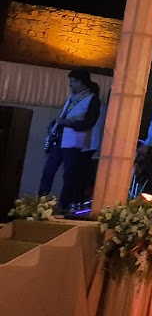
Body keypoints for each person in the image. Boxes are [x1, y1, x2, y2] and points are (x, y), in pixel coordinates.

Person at [39, 69, 101, 211]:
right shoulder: (71, 97)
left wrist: (70, 123)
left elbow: (89, 122)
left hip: (75, 143)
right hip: (60, 139)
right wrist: (56, 124)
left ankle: (64, 205)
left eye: (73, 81)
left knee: (69, 175)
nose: (70, 84)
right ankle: (41, 200)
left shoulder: (92, 99)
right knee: (48, 170)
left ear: (81, 82)